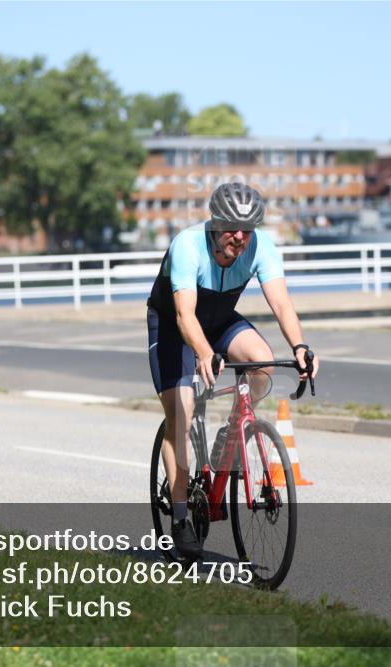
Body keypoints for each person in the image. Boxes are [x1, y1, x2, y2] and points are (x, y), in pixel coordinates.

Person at [146, 183, 320, 559]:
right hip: (175, 326)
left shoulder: (261, 247)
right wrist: (205, 354)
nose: (239, 237)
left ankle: (231, 431)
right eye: (231, 228)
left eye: (248, 229)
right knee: (181, 414)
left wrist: (300, 347)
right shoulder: (188, 245)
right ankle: (180, 518)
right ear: (215, 223)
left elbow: (282, 304)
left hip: (220, 319)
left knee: (263, 361)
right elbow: (184, 316)